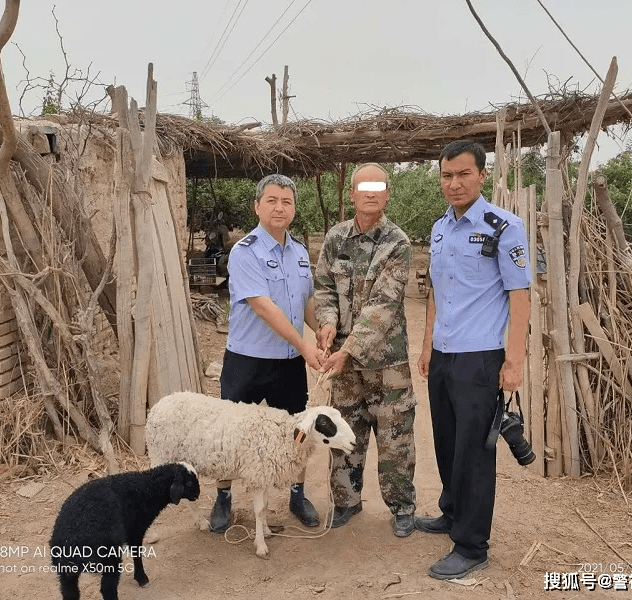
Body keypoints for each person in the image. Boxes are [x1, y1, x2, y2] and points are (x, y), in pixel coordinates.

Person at [415, 140, 531, 579]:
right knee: (446, 441)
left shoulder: (504, 226)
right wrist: (427, 345)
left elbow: (520, 297)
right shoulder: (439, 227)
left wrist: (514, 360)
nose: (454, 183)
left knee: (474, 452)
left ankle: (471, 544)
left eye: (463, 174)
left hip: (480, 357)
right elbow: (435, 292)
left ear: (482, 175)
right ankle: (451, 512)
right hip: (444, 355)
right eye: (446, 175)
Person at [210, 174, 325, 533]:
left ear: (294, 209)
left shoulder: (301, 253)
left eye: (286, 201)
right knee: (230, 432)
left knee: (298, 430)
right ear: (257, 206)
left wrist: (319, 330)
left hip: (288, 363)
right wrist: (305, 345)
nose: (279, 207)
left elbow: (305, 301)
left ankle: (296, 493)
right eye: (272, 200)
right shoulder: (245, 252)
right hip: (248, 360)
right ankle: (223, 499)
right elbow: (264, 306)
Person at [314, 162, 417, 538]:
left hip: (387, 364)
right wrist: (326, 322)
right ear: (351, 195)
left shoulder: (398, 244)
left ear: (388, 194)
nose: (371, 192)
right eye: (363, 187)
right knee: (344, 432)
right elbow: (323, 288)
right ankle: (346, 501)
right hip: (343, 365)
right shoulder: (335, 238)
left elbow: (383, 307)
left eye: (379, 186)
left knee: (396, 439)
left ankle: (402, 507)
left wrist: (348, 348)